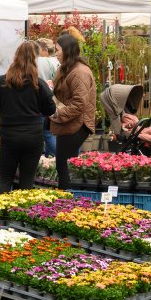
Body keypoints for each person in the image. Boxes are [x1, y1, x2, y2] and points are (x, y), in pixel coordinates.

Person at [0, 42, 57, 193]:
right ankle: (22, 214)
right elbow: (50, 109)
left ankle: (0, 213)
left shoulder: (2, 82)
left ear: (15, 57)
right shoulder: (39, 84)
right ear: (34, 60)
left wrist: (5, 107)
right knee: (27, 181)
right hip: (33, 136)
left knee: (5, 179)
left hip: (9, 136)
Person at [50, 33, 96, 190]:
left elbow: (79, 104)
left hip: (76, 125)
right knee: (63, 165)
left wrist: (57, 114)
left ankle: (66, 204)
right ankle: (67, 202)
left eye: (57, 50)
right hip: (68, 123)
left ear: (66, 50)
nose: (55, 53)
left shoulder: (79, 72)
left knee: (64, 167)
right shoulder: (67, 69)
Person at [35, 38, 60, 157]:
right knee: (50, 131)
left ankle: (59, 156)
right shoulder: (57, 61)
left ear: (44, 49)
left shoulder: (37, 61)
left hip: (40, 100)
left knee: (43, 133)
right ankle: (51, 159)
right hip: (54, 100)